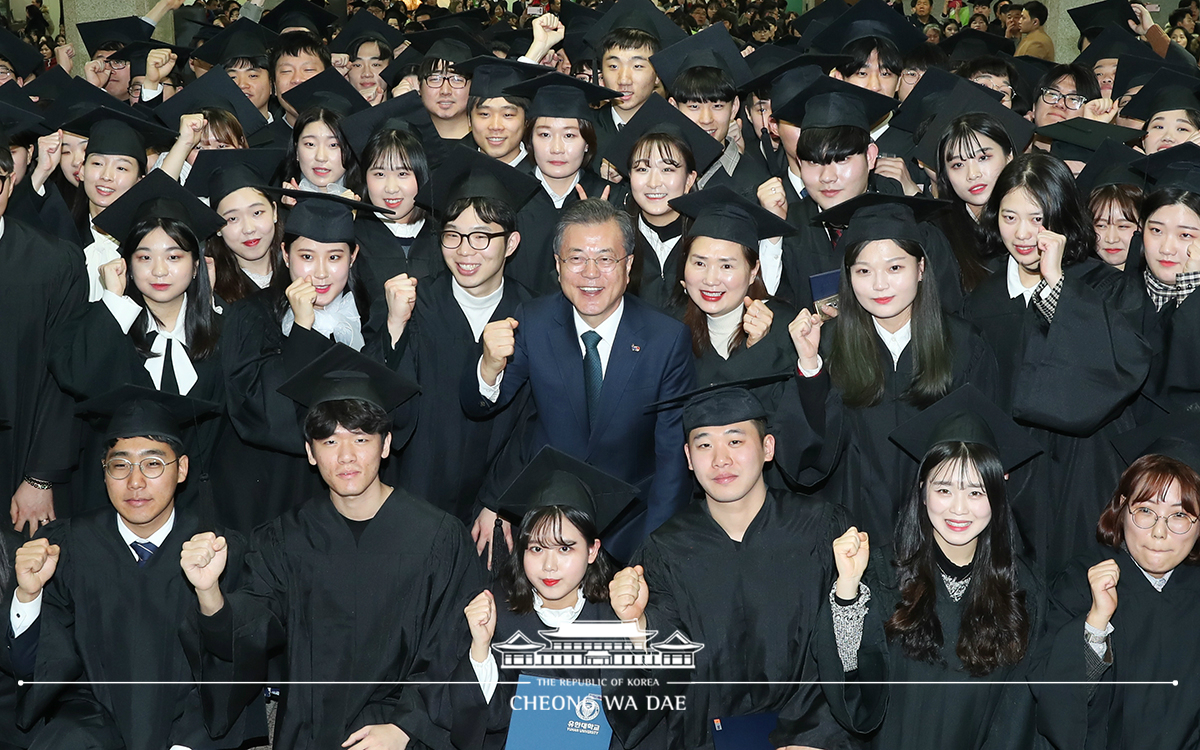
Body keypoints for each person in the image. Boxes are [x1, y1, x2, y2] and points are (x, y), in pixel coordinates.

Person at [182, 345, 482, 750]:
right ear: (309, 452)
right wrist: (209, 592)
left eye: (360, 438)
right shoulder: (284, 539)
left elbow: (456, 642)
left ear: (385, 444)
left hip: (404, 736)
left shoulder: (438, 536)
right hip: (309, 734)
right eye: (328, 441)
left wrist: (406, 727)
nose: (345, 456)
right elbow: (253, 628)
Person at [6, 387, 264, 750]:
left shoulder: (222, 551)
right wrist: (28, 596)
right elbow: (33, 668)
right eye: (120, 465)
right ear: (104, 472)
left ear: (182, 469)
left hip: (195, 735)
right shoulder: (66, 547)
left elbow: (239, 669)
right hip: (88, 733)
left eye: (153, 463)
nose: (136, 481)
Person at [617, 384, 853, 749]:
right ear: (688, 458)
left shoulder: (821, 530)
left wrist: (819, 737)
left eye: (736, 441)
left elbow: (848, 647)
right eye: (704, 444)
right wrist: (638, 626)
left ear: (768, 448)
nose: (720, 460)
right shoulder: (665, 551)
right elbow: (655, 691)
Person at [462, 197, 696, 564]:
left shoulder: (666, 339)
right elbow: (485, 406)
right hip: (546, 528)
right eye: (576, 259)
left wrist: (652, 555)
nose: (590, 273)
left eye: (605, 259)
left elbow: (671, 462)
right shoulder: (534, 321)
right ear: (557, 265)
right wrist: (489, 366)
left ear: (629, 265)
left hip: (630, 530)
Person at [819, 384, 1046, 749]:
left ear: (999, 494)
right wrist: (847, 590)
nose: (958, 509)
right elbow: (854, 694)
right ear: (922, 490)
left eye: (976, 491)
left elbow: (1019, 718)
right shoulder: (880, 574)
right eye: (944, 489)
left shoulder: (1022, 590)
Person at [964, 153, 1150, 575]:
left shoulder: (1106, 285)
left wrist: (1056, 285)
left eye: (1037, 218)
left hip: (1086, 468)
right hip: (1013, 470)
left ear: (1063, 217)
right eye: (1009, 218)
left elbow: (1121, 369)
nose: (1023, 233)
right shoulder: (983, 300)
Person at [775, 194, 1000, 542]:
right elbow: (804, 461)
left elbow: (985, 450)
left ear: (921, 268)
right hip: (852, 535)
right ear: (847, 276)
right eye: (863, 271)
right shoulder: (828, 346)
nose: (879, 285)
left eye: (895, 268)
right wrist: (810, 367)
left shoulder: (964, 345)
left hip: (940, 533)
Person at [375, 147, 540, 528]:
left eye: (482, 237)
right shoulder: (416, 305)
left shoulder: (532, 316)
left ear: (511, 244)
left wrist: (498, 499)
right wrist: (394, 328)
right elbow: (387, 413)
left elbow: (533, 424)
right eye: (453, 236)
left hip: (493, 510)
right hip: (414, 498)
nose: (466, 251)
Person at [47, 172, 227, 518]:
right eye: (144, 257)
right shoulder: (105, 324)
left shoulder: (227, 331)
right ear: (126, 264)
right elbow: (74, 375)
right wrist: (113, 302)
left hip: (204, 512)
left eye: (174, 257)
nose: (159, 270)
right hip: (112, 510)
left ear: (196, 266)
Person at [451, 448, 657, 749]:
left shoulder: (615, 612)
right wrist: (480, 650)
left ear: (592, 550)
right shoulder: (497, 612)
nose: (549, 566)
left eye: (564, 549)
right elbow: (481, 723)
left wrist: (635, 628)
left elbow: (640, 717)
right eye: (536, 548)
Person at [218, 191, 383, 532]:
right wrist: (303, 330)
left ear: (353, 257)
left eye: (334, 257)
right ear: (285, 254)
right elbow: (260, 415)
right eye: (306, 255)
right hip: (272, 494)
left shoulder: (367, 319)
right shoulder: (250, 316)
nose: (320, 273)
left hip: (349, 499)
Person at [1031, 424, 1200, 749]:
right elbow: (1052, 697)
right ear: (1122, 508)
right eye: (1146, 511)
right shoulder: (1082, 580)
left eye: (1179, 516)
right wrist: (1095, 624)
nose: (1159, 533)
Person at [0, 137, 85, 537]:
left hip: (18, 463)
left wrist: (40, 477)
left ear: (8, 182)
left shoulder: (55, 262)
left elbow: (64, 380)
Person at [671, 185, 797, 412]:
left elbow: (791, 422)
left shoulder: (787, 329)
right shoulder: (669, 331)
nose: (710, 279)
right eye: (699, 263)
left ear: (753, 271)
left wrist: (759, 350)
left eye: (726, 265)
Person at [502, 71, 628, 296]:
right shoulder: (507, 196)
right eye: (544, 135)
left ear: (587, 143)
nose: (557, 148)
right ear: (529, 140)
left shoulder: (611, 198)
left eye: (569, 136)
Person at [606, 95, 721, 315]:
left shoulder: (708, 239)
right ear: (629, 176)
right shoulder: (616, 237)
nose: (653, 182)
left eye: (668, 169)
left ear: (689, 179)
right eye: (642, 169)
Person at [187, 148, 287, 304]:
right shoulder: (211, 289)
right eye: (233, 218)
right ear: (217, 226)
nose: (249, 229)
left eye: (257, 213)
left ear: (274, 211)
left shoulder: (303, 272)